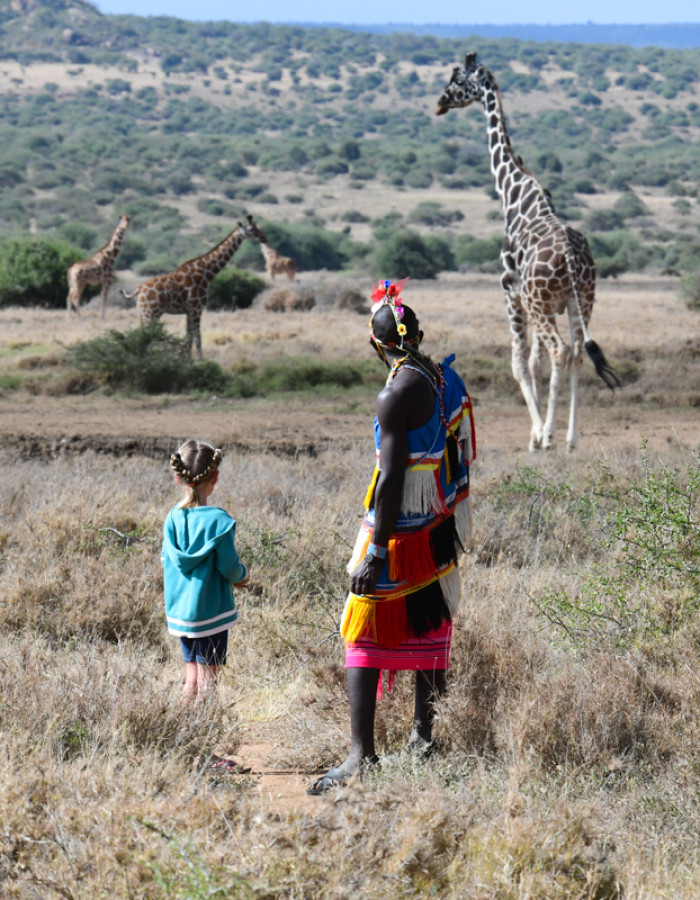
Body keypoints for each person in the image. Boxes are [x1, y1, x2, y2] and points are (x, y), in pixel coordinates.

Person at [307, 279, 476, 795]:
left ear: (378, 345)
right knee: (428, 622)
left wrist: (375, 551)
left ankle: (362, 755)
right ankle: (422, 740)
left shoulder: (394, 393)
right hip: (438, 526)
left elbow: (391, 480)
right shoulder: (446, 379)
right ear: (418, 335)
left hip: (400, 529)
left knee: (359, 628)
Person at [162, 439, 249, 703]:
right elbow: (229, 567)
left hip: (182, 614)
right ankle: (206, 733)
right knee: (210, 680)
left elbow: (167, 561)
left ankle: (181, 729)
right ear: (216, 477)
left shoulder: (172, 518)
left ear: (178, 478)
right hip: (211, 612)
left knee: (191, 680)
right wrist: (243, 575)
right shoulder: (219, 521)